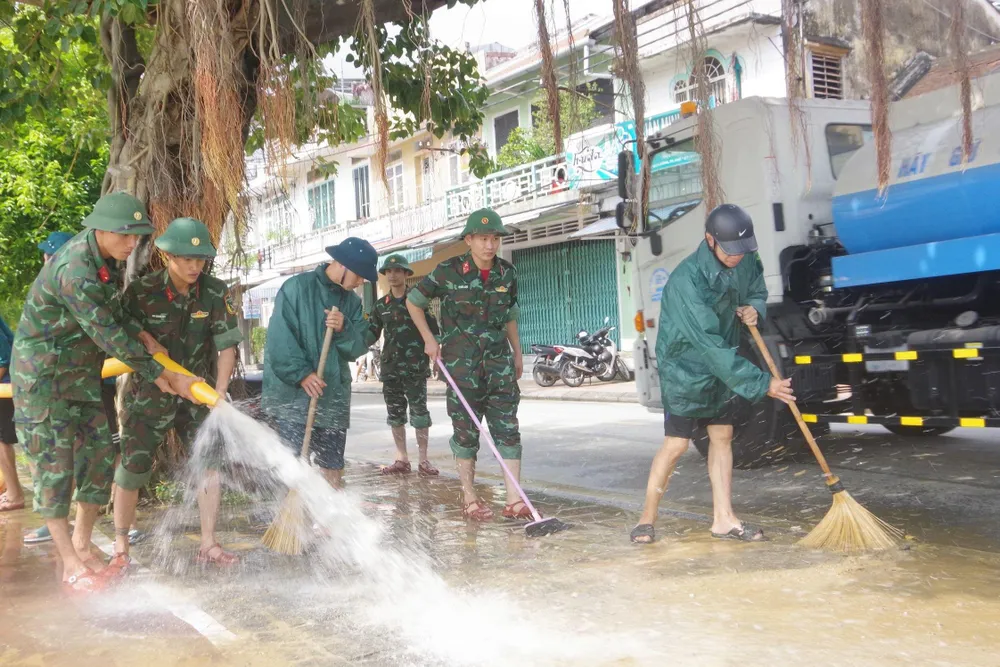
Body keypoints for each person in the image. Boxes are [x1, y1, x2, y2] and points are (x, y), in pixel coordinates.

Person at [10, 192, 201, 594]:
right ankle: (69, 561)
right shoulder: (75, 269)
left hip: (80, 377)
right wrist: (160, 372)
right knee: (54, 468)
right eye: (126, 235)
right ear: (101, 229)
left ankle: (82, 544)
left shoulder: (105, 261)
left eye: (137, 236)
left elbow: (117, 313)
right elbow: (106, 332)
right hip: (43, 381)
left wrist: (145, 337)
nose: (133, 244)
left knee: (98, 456)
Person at [629, 204, 795, 545]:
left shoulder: (745, 257)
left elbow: (756, 289)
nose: (737, 257)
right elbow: (709, 345)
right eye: (730, 250)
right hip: (686, 367)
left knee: (722, 435)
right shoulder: (686, 282)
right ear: (710, 240)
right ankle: (646, 518)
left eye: (742, 250)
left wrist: (754, 308)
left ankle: (723, 519)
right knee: (676, 444)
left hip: (722, 363)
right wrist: (763, 383)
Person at [107, 217, 243, 574]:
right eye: (186, 259)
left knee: (209, 464)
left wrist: (219, 393)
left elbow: (226, 346)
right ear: (168, 256)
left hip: (196, 393)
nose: (194, 266)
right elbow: (121, 331)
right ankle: (120, 546)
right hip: (150, 392)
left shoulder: (215, 292)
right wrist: (145, 340)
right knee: (132, 467)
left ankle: (208, 543)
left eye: (200, 259)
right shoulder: (141, 291)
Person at [406, 208, 526, 521]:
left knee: (508, 430)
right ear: (469, 240)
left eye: (495, 238)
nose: (490, 245)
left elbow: (510, 314)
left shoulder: (507, 273)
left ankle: (514, 500)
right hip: (462, 369)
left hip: (499, 366)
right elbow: (414, 302)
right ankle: (470, 498)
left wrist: (517, 352)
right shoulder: (447, 271)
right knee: (465, 435)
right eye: (483, 238)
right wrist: (429, 340)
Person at [22, 231, 136, 545]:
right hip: (56, 386)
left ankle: (113, 528)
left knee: (104, 452)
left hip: (93, 384)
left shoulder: (87, 277)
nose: (47, 260)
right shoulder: (59, 283)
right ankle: (62, 531)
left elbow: (109, 327)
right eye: (46, 255)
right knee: (61, 457)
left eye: (51, 255)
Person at [262, 237, 375, 490]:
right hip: (292, 398)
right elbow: (279, 340)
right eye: (359, 275)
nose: (361, 282)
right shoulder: (295, 289)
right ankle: (290, 512)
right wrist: (302, 374)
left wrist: (344, 328)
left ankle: (329, 513)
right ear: (343, 265)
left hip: (332, 395)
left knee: (332, 464)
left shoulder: (352, 302)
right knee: (291, 464)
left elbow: (358, 346)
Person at [366, 254, 439, 476]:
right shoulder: (381, 306)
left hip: (415, 366)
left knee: (419, 414)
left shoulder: (418, 301)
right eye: (388, 271)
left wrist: (438, 356)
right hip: (391, 368)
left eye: (397, 270)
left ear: (407, 274)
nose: (392, 275)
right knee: (395, 414)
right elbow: (371, 333)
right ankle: (401, 459)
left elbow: (434, 331)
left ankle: (423, 460)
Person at [0, 313, 20, 513]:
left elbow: (3, 361)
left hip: (6, 385)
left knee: (3, 439)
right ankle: (12, 490)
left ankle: (15, 494)